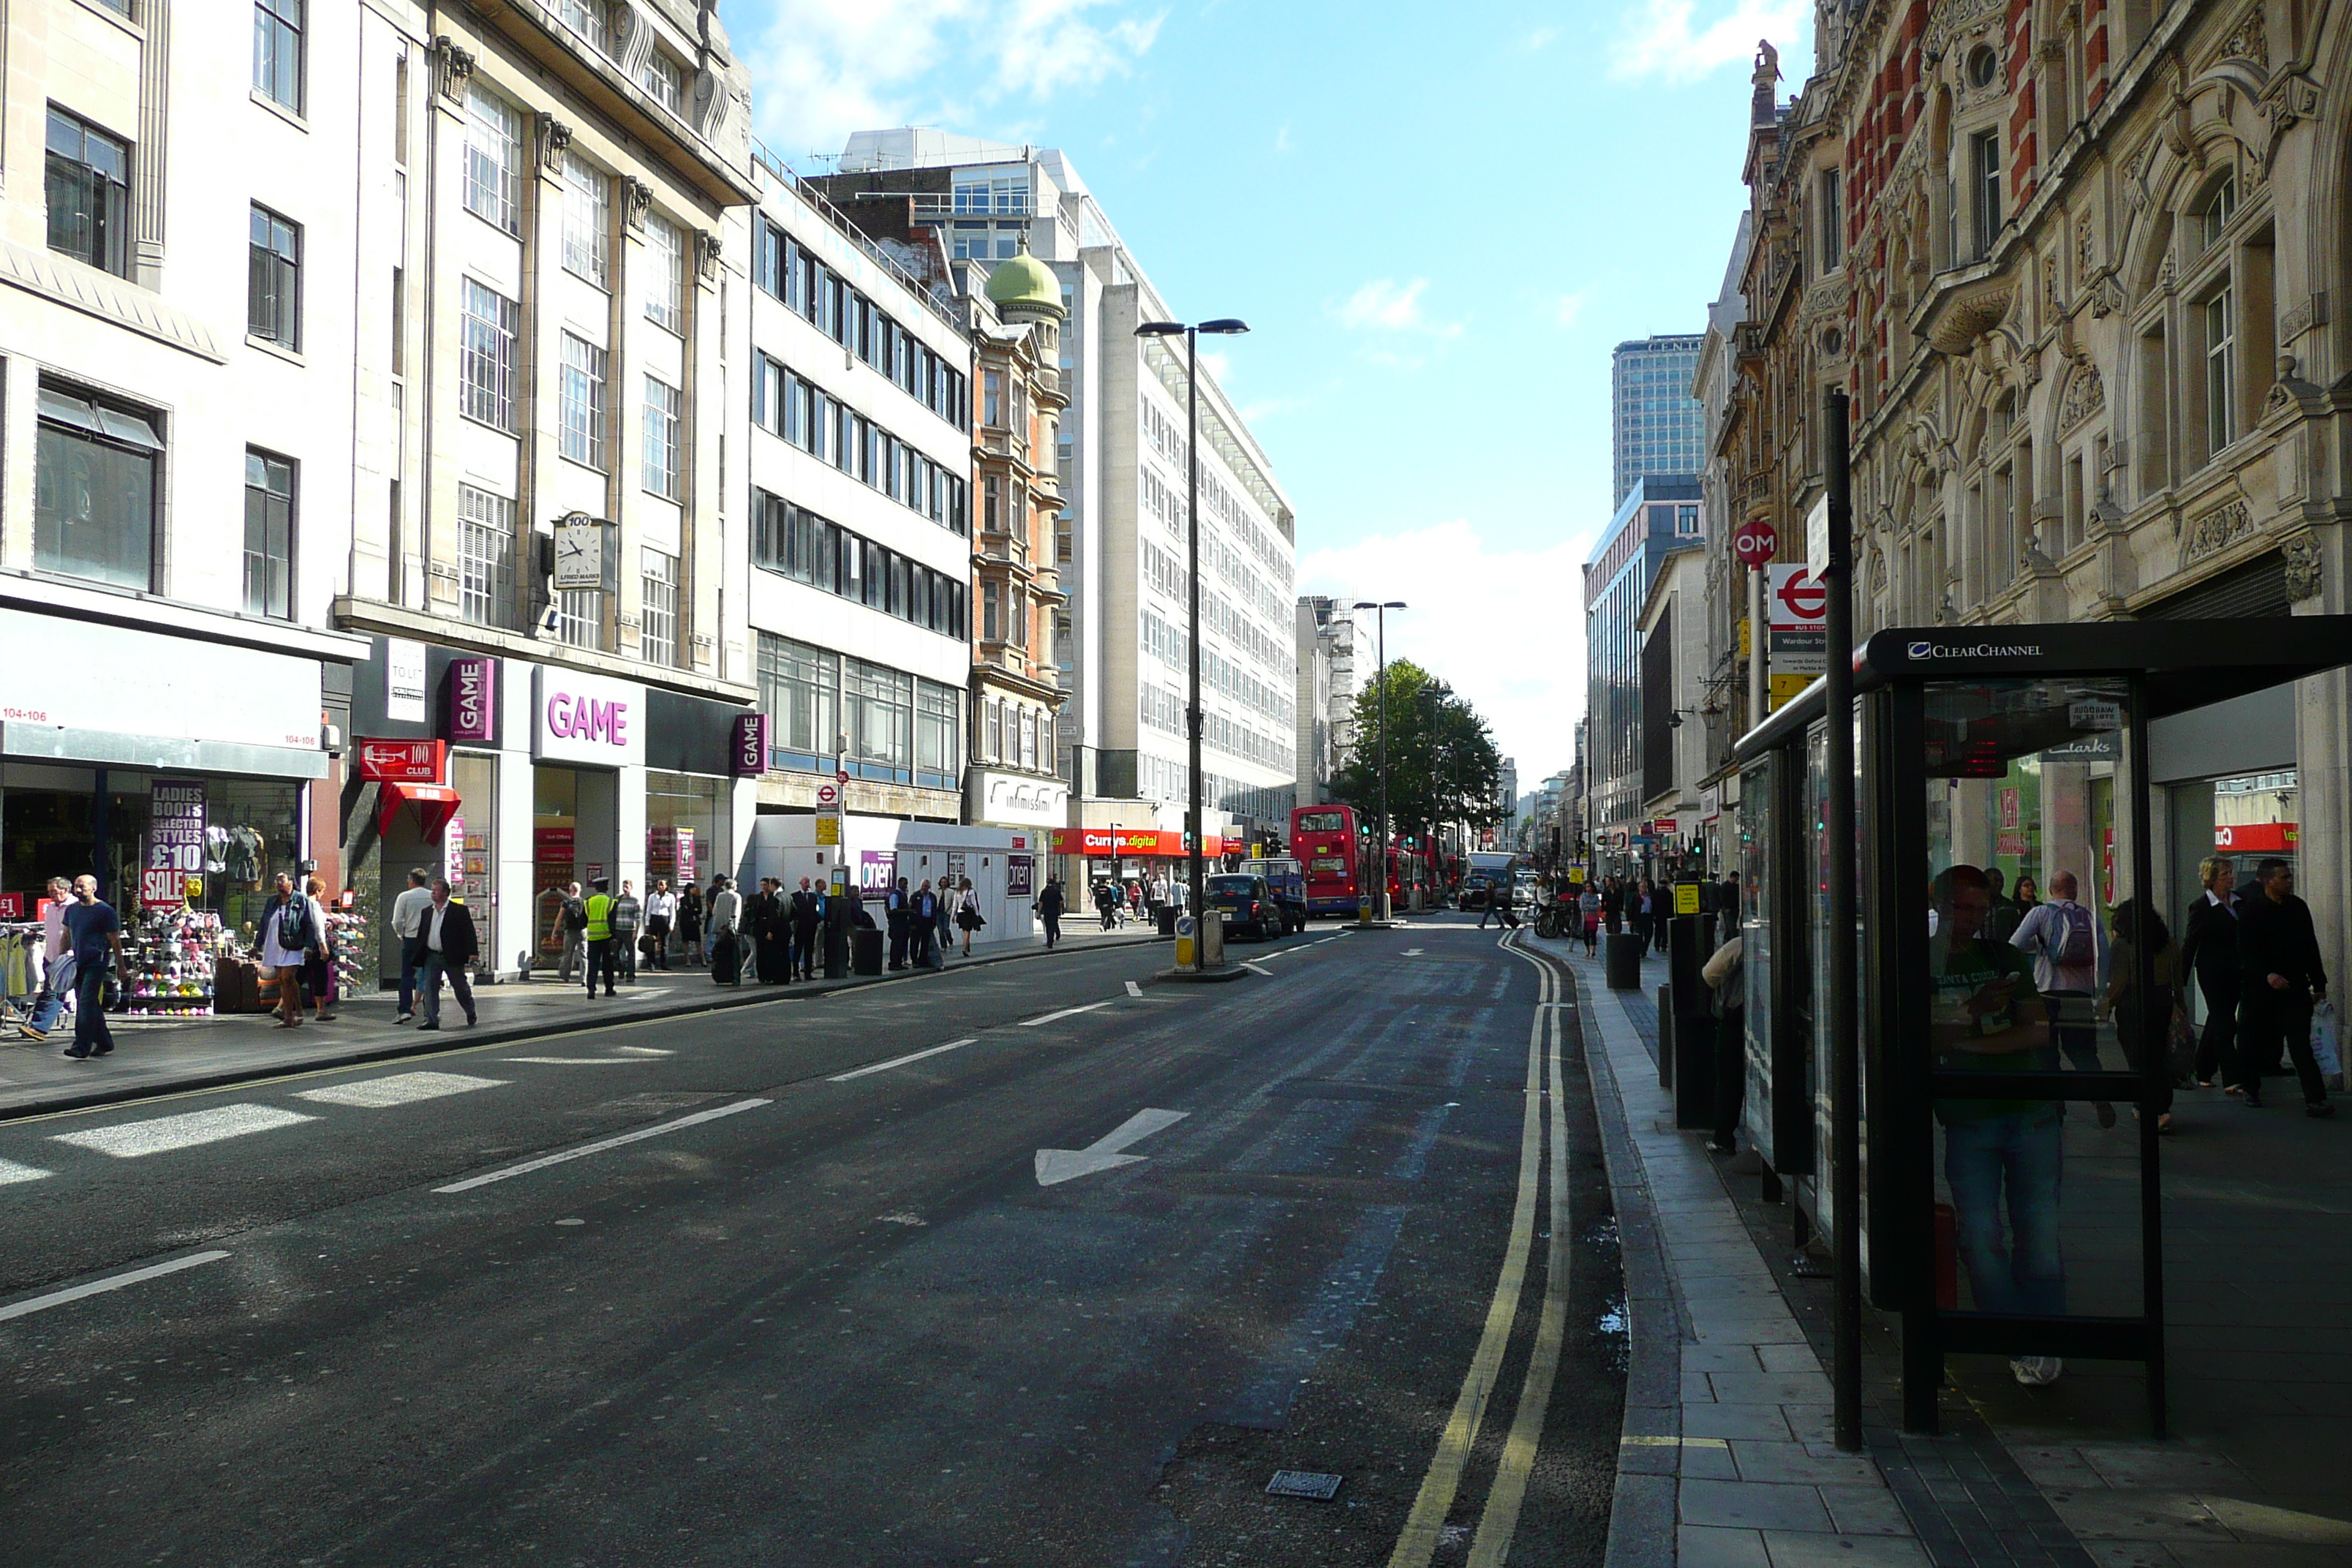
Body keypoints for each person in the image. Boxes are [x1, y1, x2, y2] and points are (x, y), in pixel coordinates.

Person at [1928, 864, 2066, 1387]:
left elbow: (2033, 1034)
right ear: (1940, 905)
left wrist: (1959, 1040)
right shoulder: (1928, 960)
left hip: (2029, 1111)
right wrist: (1973, 1011)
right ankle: (2012, 1334)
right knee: (1981, 1234)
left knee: (2040, 1231)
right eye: (1962, 907)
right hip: (1969, 1118)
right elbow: (1921, 1038)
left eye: (1980, 908)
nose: (1972, 918)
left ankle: (2044, 1336)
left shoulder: (2003, 955)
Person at [2009, 870, 2111, 1126]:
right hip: (2080, 996)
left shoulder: (2041, 913)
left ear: (2052, 889)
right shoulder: (2088, 916)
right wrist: (2100, 991)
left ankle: (2055, 1105)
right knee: (2083, 1051)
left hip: (2047, 993)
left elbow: (2015, 944)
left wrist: (2041, 948)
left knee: (2046, 1053)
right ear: (2074, 890)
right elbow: (2104, 954)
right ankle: (2099, 1095)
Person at [2236, 857, 2333, 1115]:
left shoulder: (2297, 908)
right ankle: (2251, 1088)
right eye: (2284, 877)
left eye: (2289, 876)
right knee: (2252, 1039)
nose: (2289, 881)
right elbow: (2245, 950)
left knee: (2301, 1043)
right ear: (2268, 881)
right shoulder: (2252, 909)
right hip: (2261, 988)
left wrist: (2319, 983)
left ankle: (2315, 1098)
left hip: (2295, 986)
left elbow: (2310, 946)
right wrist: (2267, 975)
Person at [2100, 897, 2179, 1134]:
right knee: (2158, 1055)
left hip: (2133, 1004)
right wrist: (2181, 1006)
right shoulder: (2167, 942)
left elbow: (2120, 981)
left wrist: (2104, 1008)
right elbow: (2178, 975)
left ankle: (2148, 1107)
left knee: (2138, 1058)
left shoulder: (2123, 945)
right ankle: (2158, 1106)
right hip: (2163, 1000)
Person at [2179, 857, 2244, 1090]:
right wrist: (2179, 981)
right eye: (2226, 874)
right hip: (2212, 971)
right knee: (2225, 1021)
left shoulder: (2240, 902)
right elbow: (2190, 943)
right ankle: (2232, 1077)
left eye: (2231, 873)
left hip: (2237, 971)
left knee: (2218, 1019)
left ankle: (2203, 1069)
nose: (2231, 877)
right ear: (2212, 878)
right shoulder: (2201, 907)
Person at [59, 875, 121, 1060]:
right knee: (90, 1004)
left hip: (97, 962)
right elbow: (66, 936)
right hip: (78, 962)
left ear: (93, 888)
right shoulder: (71, 910)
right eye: (76, 887)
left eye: (82, 887)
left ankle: (81, 1046)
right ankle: (104, 1042)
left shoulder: (105, 911)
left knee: (85, 1003)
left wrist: (121, 966)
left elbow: (115, 940)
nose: (78, 890)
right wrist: (60, 960)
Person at [260, 871, 324, 1030]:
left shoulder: (300, 899)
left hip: (294, 943)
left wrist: (309, 945)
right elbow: (264, 922)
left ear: (291, 882)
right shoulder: (272, 901)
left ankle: (292, 1014)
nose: (278, 883)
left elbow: (309, 923)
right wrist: (257, 944)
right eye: (276, 880)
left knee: (287, 976)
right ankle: (292, 1015)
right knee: (283, 980)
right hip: (275, 943)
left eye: (282, 880)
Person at [414, 878, 478, 1030]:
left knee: (460, 987)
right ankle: (431, 1019)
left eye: (436, 890)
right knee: (430, 988)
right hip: (432, 955)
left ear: (445, 893)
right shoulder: (427, 912)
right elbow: (422, 934)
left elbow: (469, 932)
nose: (433, 893)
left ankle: (470, 1011)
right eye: (432, 890)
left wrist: (473, 952)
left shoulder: (459, 911)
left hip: (452, 956)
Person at [19, 877, 77, 1042]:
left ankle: (39, 1028)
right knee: (52, 992)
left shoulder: (74, 907)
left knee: (53, 993)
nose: (51, 894)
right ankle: (37, 1026)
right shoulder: (51, 908)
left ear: (65, 890)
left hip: (67, 957)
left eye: (54, 890)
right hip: (51, 956)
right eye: (50, 891)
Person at [1702, 930, 1745, 1155]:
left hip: (1735, 1019)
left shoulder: (1740, 945)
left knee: (1729, 1080)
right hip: (1773, 1019)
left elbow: (1709, 974)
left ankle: (1724, 1138)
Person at [391, 867, 434, 1023]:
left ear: (411, 880)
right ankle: (430, 1012)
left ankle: (404, 1010)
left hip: (410, 939)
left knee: (407, 975)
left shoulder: (404, 897)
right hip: (428, 940)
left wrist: (401, 934)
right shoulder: (431, 896)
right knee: (429, 975)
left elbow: (397, 921)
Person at [302, 876, 339, 1022]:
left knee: (299, 976)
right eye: (322, 891)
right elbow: (318, 928)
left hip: (305, 946)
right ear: (317, 891)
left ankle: (282, 1006)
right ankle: (321, 1010)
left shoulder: (302, 904)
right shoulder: (314, 905)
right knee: (320, 977)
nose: (322, 894)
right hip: (317, 947)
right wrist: (324, 947)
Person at [581, 877, 618, 998]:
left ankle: (591, 990)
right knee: (608, 966)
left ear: (596, 888)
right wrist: (615, 937)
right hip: (606, 938)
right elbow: (612, 922)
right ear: (606, 887)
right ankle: (609, 989)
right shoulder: (611, 902)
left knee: (593, 966)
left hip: (592, 939)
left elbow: (583, 922)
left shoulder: (588, 902)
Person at [706, 876, 743, 985]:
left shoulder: (720, 895)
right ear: (733, 886)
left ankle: (720, 975)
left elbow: (715, 911)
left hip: (718, 928)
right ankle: (734, 977)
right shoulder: (736, 896)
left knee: (720, 952)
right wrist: (734, 928)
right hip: (730, 929)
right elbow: (736, 914)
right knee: (733, 954)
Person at [751, 877, 787, 984]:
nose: (763, 887)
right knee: (760, 951)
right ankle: (762, 976)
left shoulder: (774, 897)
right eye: (761, 885)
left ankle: (770, 974)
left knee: (769, 952)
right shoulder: (758, 897)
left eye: (765, 885)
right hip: (760, 926)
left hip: (770, 926)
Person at [554, 882, 587, 985]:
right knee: (584, 955)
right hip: (583, 931)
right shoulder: (584, 902)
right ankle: (584, 979)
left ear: (570, 890)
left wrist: (554, 932)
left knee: (568, 954)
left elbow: (560, 918)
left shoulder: (566, 903)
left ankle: (566, 976)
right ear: (580, 890)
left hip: (570, 931)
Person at [612, 880, 643, 984]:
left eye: (627, 886)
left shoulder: (634, 901)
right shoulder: (618, 899)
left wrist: (636, 932)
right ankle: (621, 968)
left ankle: (630, 974)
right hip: (618, 929)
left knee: (631, 953)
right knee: (615, 953)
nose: (625, 888)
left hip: (629, 930)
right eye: (624, 886)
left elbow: (638, 917)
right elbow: (612, 913)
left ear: (631, 887)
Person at [643, 879, 676, 972]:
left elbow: (672, 911)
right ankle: (651, 964)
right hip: (654, 918)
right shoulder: (653, 897)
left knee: (664, 943)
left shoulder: (670, 897)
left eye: (662, 884)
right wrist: (647, 923)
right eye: (659, 884)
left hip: (664, 918)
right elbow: (648, 910)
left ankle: (664, 964)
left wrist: (671, 924)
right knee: (651, 942)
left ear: (666, 886)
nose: (660, 886)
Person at [793, 878, 822, 981]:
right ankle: (796, 973)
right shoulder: (795, 896)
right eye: (805, 882)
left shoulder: (813, 897)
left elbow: (815, 910)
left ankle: (808, 973)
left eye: (808, 882)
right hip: (800, 927)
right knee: (798, 950)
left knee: (809, 951)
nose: (807, 884)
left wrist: (816, 920)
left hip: (811, 927)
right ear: (800, 883)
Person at [911, 879, 940, 969]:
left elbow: (934, 910)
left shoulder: (932, 897)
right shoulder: (916, 896)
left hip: (928, 921)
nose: (924, 888)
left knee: (925, 942)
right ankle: (914, 960)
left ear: (929, 887)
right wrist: (912, 923)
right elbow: (911, 910)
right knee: (915, 941)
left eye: (926, 886)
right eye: (923, 886)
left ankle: (923, 960)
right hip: (918, 921)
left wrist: (934, 922)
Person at [885, 876, 912, 970]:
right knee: (896, 943)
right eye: (904, 884)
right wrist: (907, 911)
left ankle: (899, 962)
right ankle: (894, 963)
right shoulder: (895, 895)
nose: (906, 886)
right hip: (896, 923)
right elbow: (893, 910)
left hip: (903, 922)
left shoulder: (903, 894)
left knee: (902, 943)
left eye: (906, 884)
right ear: (899, 884)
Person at [676, 881, 704, 967]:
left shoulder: (697, 898)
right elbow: (685, 911)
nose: (694, 890)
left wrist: (692, 910)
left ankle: (703, 959)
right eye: (693, 888)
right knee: (686, 941)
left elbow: (699, 910)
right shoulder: (683, 899)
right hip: (685, 922)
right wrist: (693, 910)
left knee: (698, 941)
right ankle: (687, 960)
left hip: (695, 922)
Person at [956, 877, 984, 957]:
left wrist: (954, 915)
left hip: (960, 913)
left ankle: (967, 946)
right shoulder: (971, 892)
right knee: (967, 931)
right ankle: (965, 948)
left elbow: (955, 904)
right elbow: (974, 904)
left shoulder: (958, 892)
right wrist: (977, 914)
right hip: (968, 913)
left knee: (964, 930)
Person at [1038, 876, 1066, 949]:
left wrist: (1039, 912)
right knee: (1053, 926)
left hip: (1046, 911)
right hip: (1054, 911)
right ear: (1053, 884)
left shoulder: (1044, 891)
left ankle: (1049, 941)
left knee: (1047, 926)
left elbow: (1041, 903)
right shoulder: (1057, 891)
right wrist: (1062, 909)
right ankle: (1051, 939)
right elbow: (1061, 901)